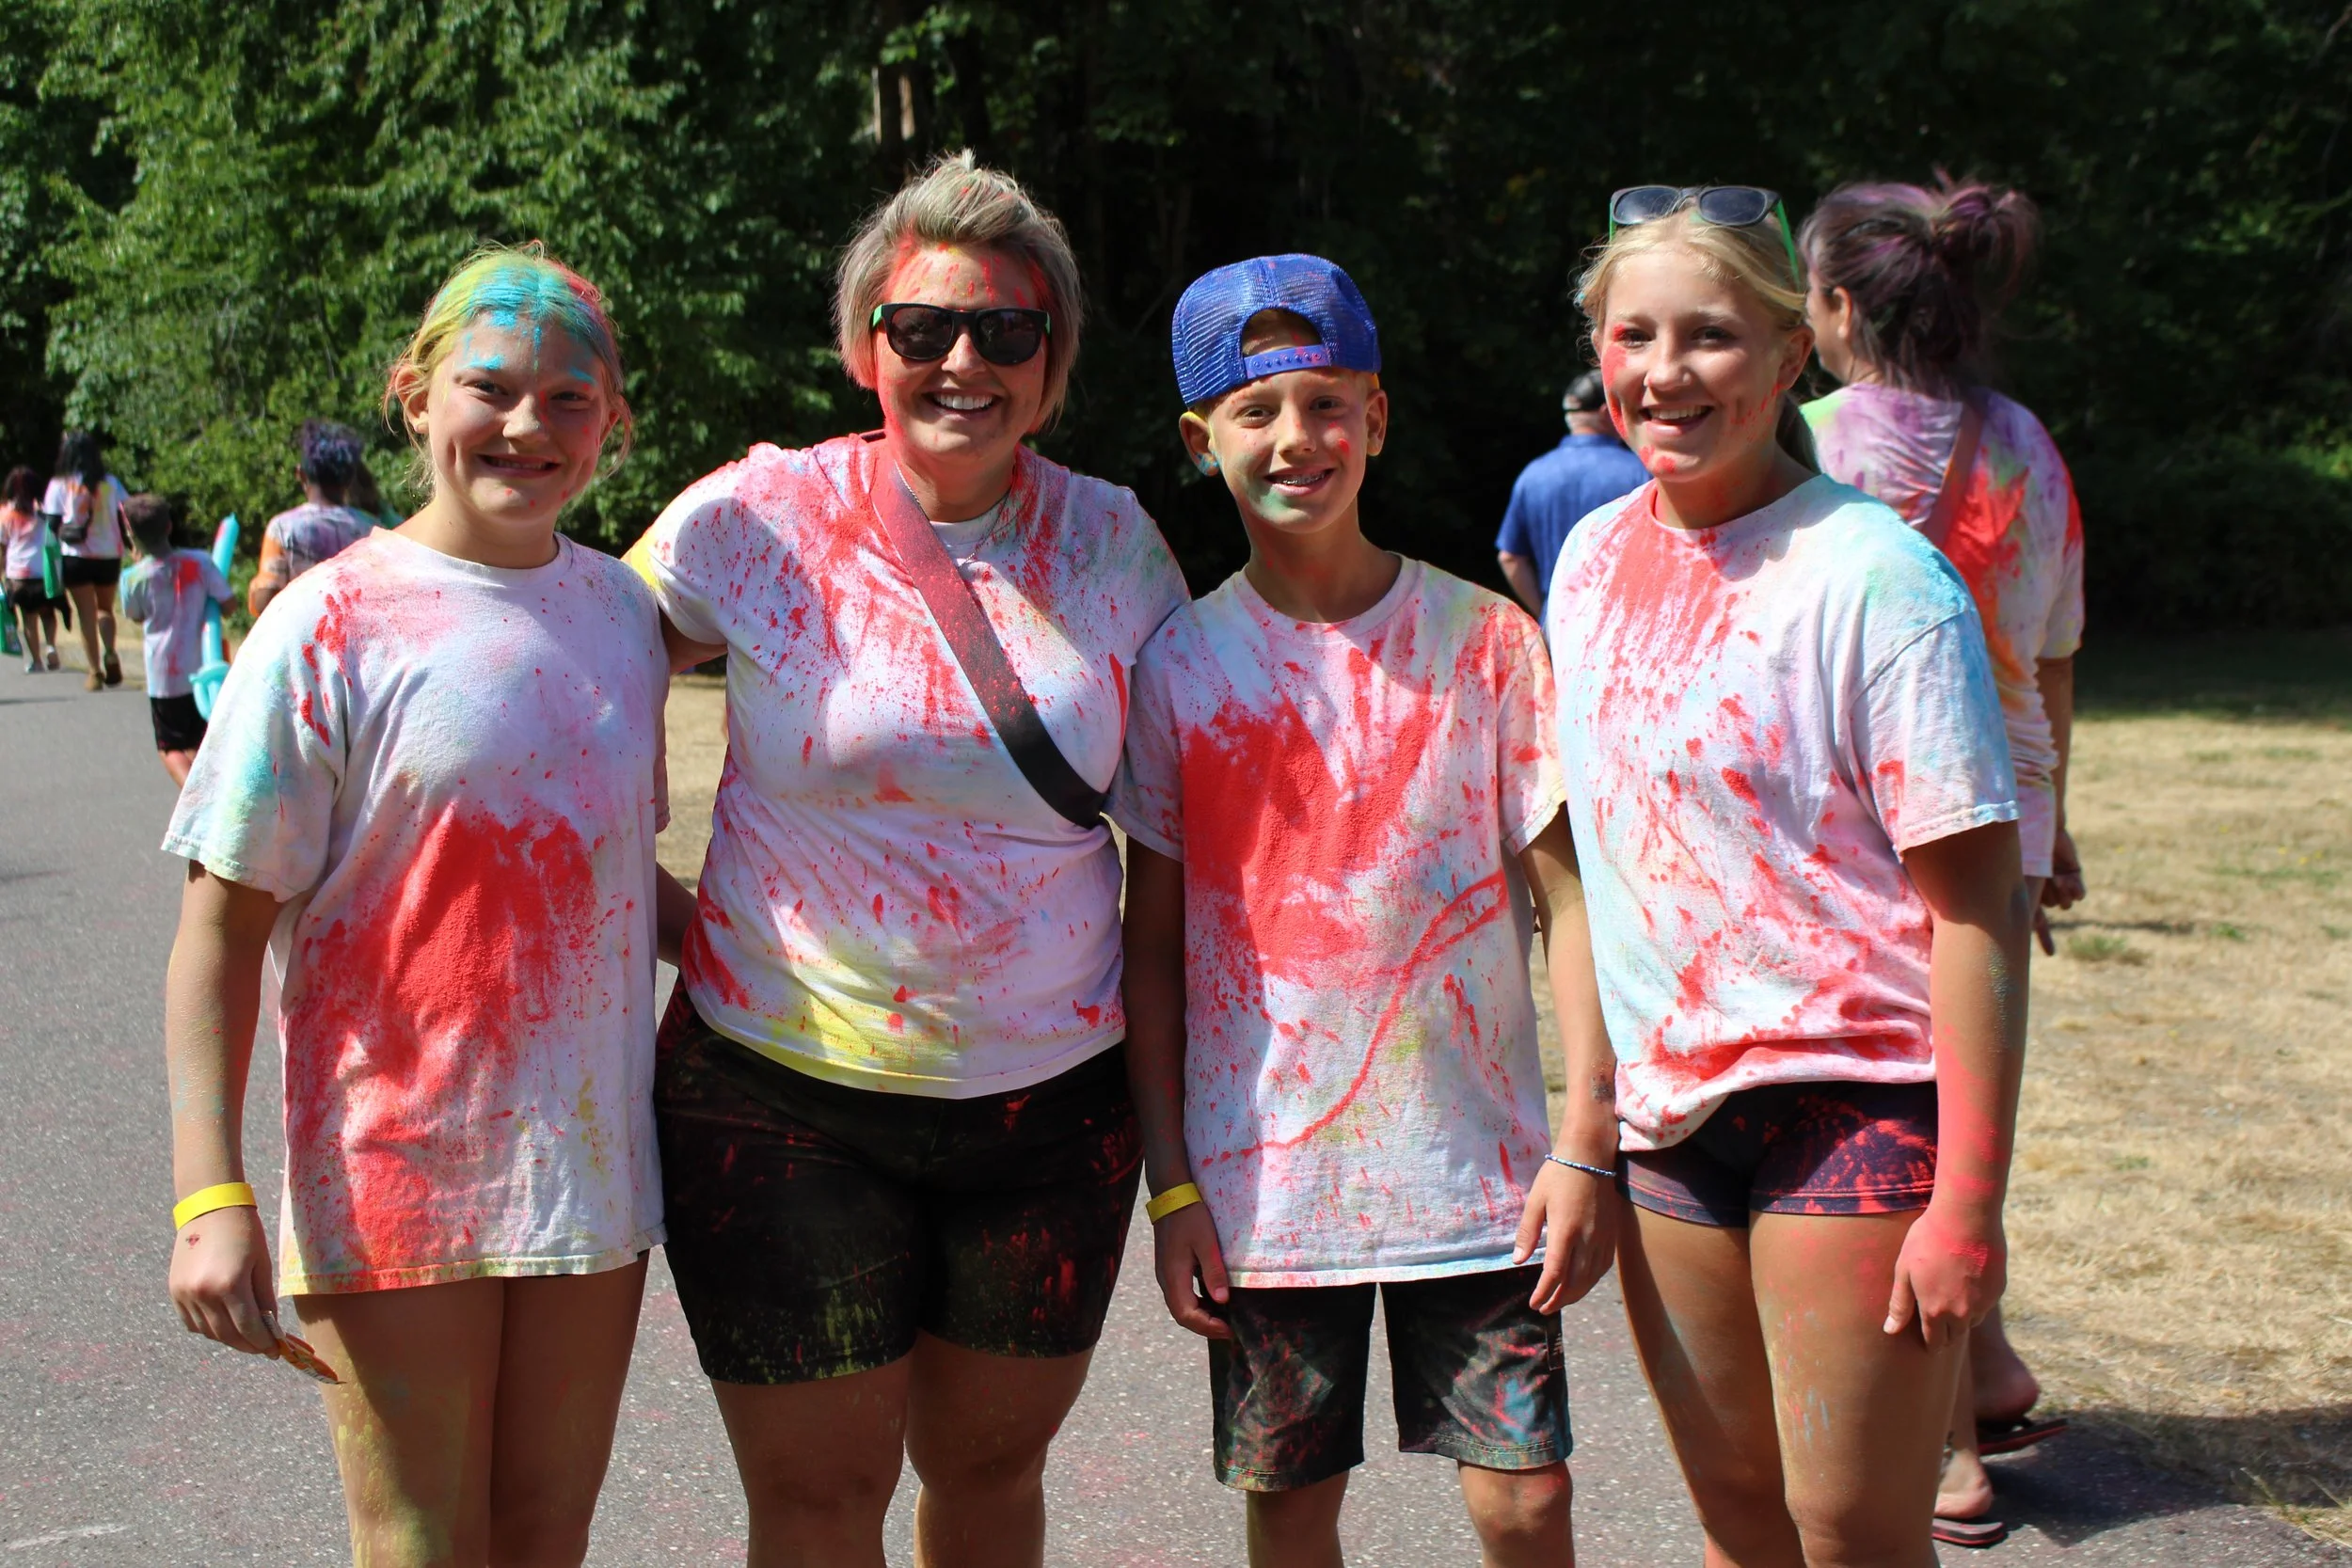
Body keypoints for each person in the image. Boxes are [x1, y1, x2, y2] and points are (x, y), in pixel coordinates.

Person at [626, 150, 1187, 1568]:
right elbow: (563, 693)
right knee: (817, 1503)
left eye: (1007, 331)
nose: (963, 363)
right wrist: (657, 905)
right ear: (862, 344)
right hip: (777, 1086)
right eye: (922, 328)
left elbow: (1194, 822)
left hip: (1049, 1111)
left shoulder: (1117, 541)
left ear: (1053, 358)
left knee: (989, 1476)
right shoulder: (752, 519)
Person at [161, 245, 672, 1567]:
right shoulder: (328, 625)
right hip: (392, 1162)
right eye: (489, 387)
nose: (526, 424)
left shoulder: (620, 613)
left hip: (588, 1169)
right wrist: (206, 1188)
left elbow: (611, 878)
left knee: (545, 1536)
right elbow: (217, 933)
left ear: (614, 420)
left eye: (571, 398)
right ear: (412, 394)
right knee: (424, 1545)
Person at [1547, 184, 2032, 1563]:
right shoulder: (1587, 564)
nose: (1663, 370)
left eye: (1707, 334)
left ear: (1786, 355)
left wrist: (1970, 1205)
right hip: (1669, 1122)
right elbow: (1589, 871)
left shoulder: (1878, 579)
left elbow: (1976, 915)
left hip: (1854, 1104)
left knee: (1851, 1533)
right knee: (1741, 1519)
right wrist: (1589, 1124)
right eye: (1632, 333)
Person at [1117, 254, 1619, 1567]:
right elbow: (1154, 949)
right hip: (1268, 1190)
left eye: (1329, 403)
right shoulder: (1179, 667)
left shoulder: (1488, 642)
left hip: (1485, 1180)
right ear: (1200, 439)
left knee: (1526, 1497)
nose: (1298, 438)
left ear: (1376, 416)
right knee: (1290, 1510)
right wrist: (1171, 1182)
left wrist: (1586, 1138)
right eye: (1258, 410)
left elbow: (1570, 904)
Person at [1800, 175, 2084, 1540]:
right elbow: (2057, 648)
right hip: (2005, 810)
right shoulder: (2026, 439)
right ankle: (1993, 1361)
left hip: (1864, 821)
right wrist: (2057, 816)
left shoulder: (1801, 444)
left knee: (1896, 1132)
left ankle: (1951, 1453)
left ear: (1837, 305)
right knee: (1966, 1094)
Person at [1494, 370, 1649, 614]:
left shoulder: (1533, 474)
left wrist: (1545, 612)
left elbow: (1510, 558)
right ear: (1606, 412)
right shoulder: (1641, 472)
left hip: (1557, 624)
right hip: (1623, 618)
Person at [118, 493, 230, 784]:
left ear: (130, 535)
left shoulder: (132, 578)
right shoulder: (201, 562)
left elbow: (136, 615)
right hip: (203, 671)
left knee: (170, 747)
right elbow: (229, 604)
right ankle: (206, 790)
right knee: (201, 740)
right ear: (170, 526)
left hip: (163, 675)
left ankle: (195, 795)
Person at [248, 419, 380, 616]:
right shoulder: (373, 529)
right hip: (358, 643)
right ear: (350, 478)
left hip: (304, 641)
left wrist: (254, 588)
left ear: (301, 475)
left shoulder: (283, 528)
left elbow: (266, 598)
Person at [42, 431, 129, 689]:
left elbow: (52, 523)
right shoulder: (111, 483)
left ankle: (94, 671)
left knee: (86, 614)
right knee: (105, 609)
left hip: (76, 556)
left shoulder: (60, 484)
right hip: (109, 555)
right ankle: (111, 652)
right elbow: (127, 513)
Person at [3, 466, 63, 673]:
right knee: (48, 613)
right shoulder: (44, 509)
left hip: (19, 573)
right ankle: (51, 646)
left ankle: (36, 661)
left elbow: (2, 546)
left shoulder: (6, 513)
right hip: (44, 570)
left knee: (29, 618)